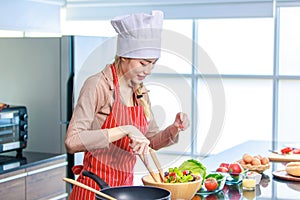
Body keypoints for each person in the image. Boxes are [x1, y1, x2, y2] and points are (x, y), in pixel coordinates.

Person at [65, 10, 190, 200]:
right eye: (143, 63)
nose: (148, 70)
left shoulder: (140, 92)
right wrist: (125, 129)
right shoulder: (98, 85)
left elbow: (150, 142)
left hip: (124, 192)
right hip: (94, 191)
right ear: (124, 56)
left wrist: (174, 128)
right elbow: (72, 141)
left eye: (153, 64)